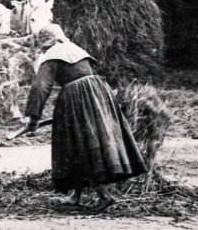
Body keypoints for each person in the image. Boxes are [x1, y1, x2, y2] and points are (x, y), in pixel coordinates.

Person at [24, 23, 147, 211]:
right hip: (98, 95)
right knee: (81, 143)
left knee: (82, 146)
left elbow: (40, 87)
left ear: (45, 42)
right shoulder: (75, 49)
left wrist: (33, 118)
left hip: (76, 101)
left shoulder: (51, 57)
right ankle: (76, 196)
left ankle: (104, 196)